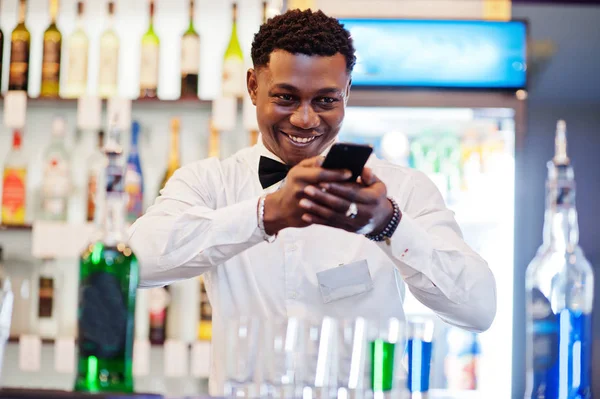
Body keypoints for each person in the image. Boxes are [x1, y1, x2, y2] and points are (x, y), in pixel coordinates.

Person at [129, 8, 496, 395]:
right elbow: (136, 261)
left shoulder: (401, 189)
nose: (305, 119)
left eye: (325, 101)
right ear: (253, 86)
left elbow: (478, 308)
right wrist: (264, 214)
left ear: (347, 93)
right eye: (286, 98)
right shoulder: (210, 183)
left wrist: (389, 225)